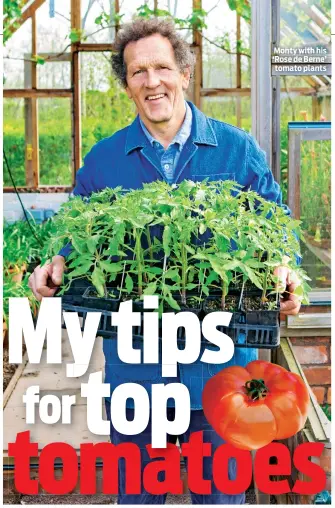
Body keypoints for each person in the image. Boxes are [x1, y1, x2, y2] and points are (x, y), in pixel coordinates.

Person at [29, 18, 301, 504]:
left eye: (161, 67)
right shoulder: (106, 158)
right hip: (137, 369)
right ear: (127, 84)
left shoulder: (237, 151)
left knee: (221, 493)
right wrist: (55, 262)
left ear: (185, 73)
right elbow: (76, 228)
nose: (152, 81)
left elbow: (275, 221)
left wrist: (282, 267)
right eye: (138, 72)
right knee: (137, 492)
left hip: (223, 370)